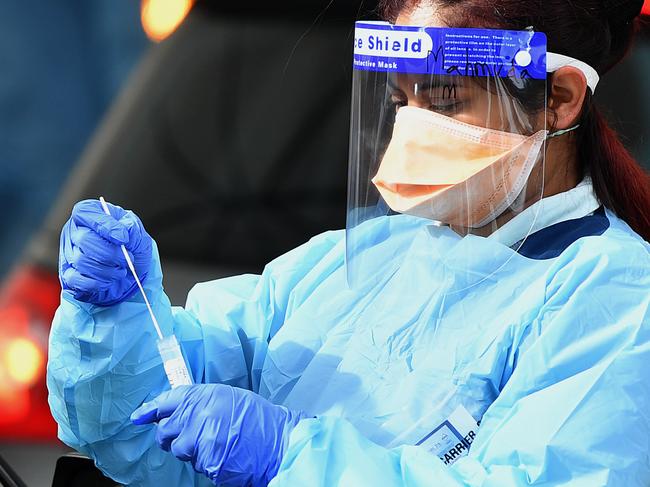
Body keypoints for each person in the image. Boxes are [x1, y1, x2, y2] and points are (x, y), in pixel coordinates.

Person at [48, 0, 650, 486]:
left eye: (445, 99)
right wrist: (117, 318)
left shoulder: (613, 300)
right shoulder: (355, 264)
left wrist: (291, 457)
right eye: (400, 101)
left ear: (561, 97)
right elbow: (136, 426)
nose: (413, 127)